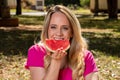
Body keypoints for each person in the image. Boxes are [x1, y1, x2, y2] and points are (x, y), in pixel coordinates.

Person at [25, 5, 99, 80]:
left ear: (72, 32)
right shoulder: (36, 52)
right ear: (47, 29)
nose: (59, 33)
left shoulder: (86, 57)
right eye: (53, 27)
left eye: (65, 28)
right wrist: (55, 62)